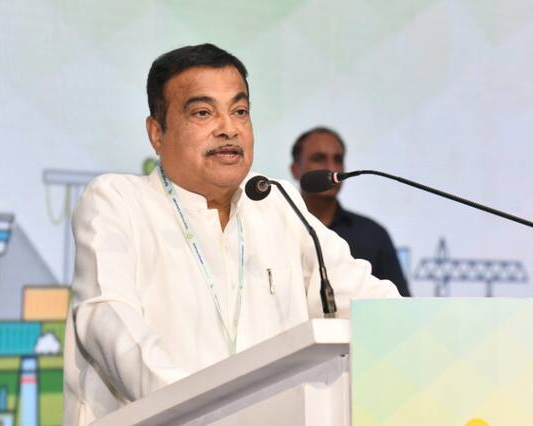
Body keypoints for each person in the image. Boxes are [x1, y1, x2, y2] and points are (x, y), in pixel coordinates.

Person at [62, 44, 400, 425]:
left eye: (240, 111)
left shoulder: (275, 202)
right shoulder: (118, 201)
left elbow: (369, 301)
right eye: (203, 113)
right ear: (156, 133)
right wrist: (196, 407)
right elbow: (107, 319)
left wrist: (428, 333)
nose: (229, 128)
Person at [290, 127, 411, 297]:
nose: (331, 167)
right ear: (295, 169)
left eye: (338, 159)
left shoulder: (373, 234)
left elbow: (401, 304)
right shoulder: (278, 228)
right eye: (319, 158)